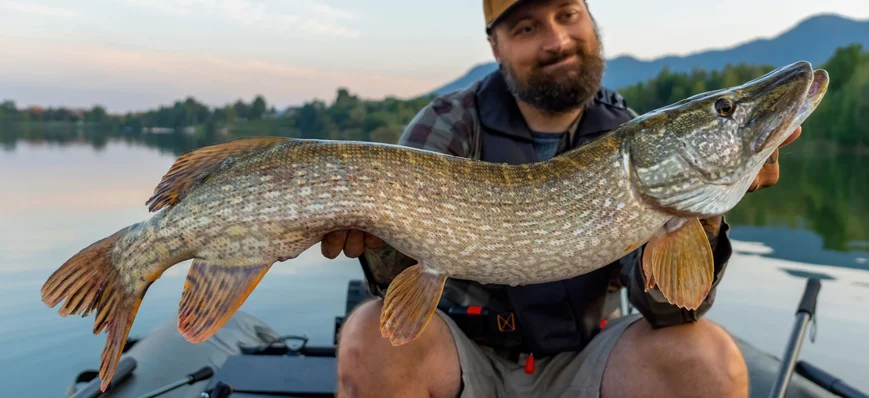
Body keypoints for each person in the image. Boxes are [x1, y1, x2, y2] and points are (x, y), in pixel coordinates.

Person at [326, 0, 803, 397]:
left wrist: (705, 211)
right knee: (371, 339)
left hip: (587, 358)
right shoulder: (448, 126)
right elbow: (395, 286)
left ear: (590, 20)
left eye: (568, 14)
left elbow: (668, 311)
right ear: (495, 46)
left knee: (708, 360)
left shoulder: (632, 139)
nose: (556, 40)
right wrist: (379, 241)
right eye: (528, 27)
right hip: (464, 355)